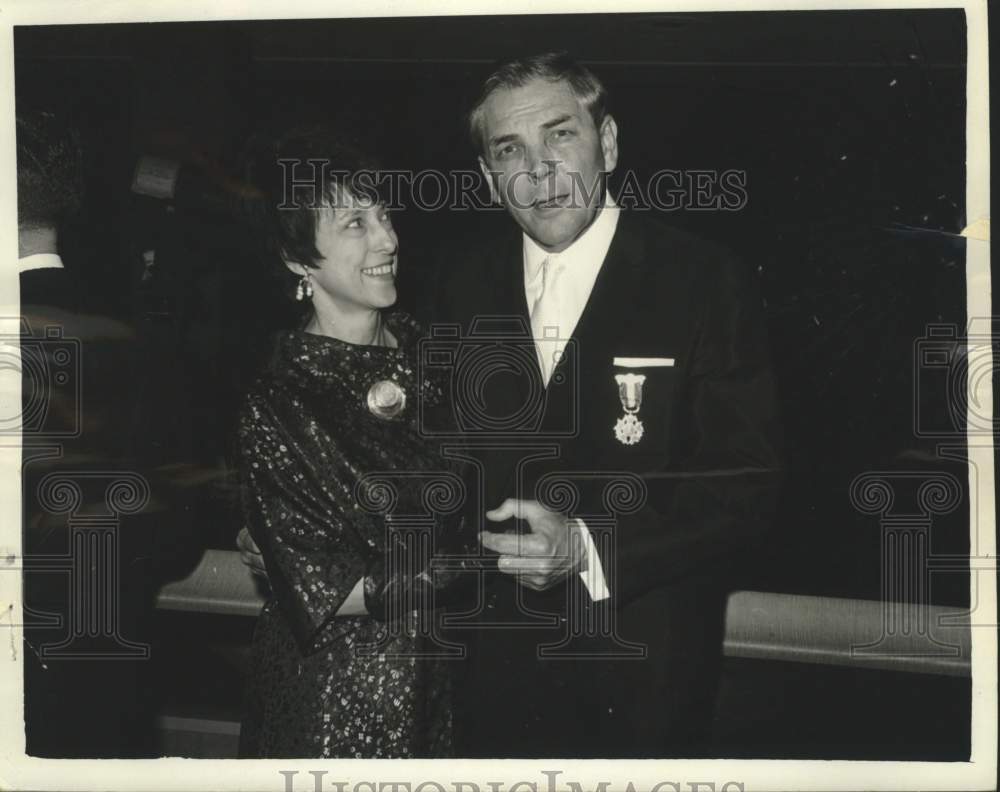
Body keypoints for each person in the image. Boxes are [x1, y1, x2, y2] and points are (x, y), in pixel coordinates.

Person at [239, 53, 782, 758]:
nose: (539, 170)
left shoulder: (706, 281)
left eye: (561, 136)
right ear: (491, 176)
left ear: (607, 143)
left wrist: (588, 545)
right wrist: (284, 524)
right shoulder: (453, 283)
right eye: (509, 150)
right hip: (476, 688)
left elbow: (747, 487)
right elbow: (398, 447)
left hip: (641, 684)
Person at [234, 126, 478, 759]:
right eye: (355, 225)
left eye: (385, 216)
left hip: (447, 684)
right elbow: (322, 588)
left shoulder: (434, 353)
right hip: (335, 702)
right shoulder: (283, 399)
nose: (388, 239)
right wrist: (467, 564)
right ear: (297, 260)